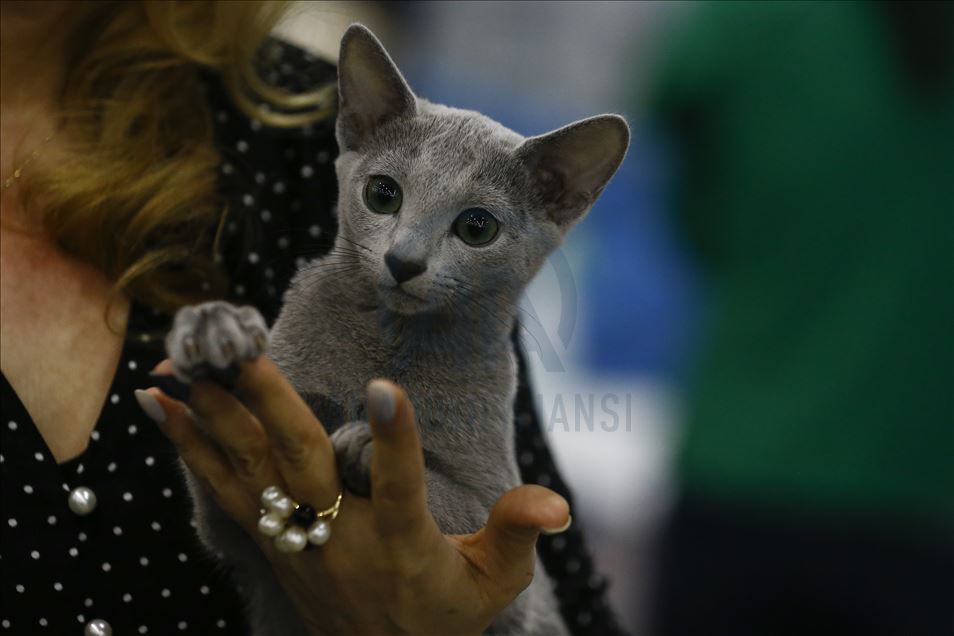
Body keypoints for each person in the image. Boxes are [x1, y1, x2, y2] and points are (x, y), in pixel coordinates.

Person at [0, 2, 623, 634]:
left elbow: (537, 585)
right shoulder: (314, 299)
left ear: (559, 200)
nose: (406, 253)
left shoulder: (281, 116)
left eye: (474, 226)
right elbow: (230, 528)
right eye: (385, 196)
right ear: (359, 128)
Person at [645, 2, 953, 634]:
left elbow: (670, 114)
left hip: (741, 470)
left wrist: (728, 226)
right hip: (921, 493)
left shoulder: (758, 19)